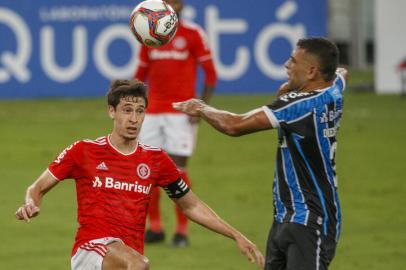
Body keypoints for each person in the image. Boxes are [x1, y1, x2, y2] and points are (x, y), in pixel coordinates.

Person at [15, 79, 264, 270]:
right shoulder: (84, 151)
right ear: (111, 112)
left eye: (140, 111)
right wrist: (30, 203)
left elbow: (191, 206)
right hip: (91, 250)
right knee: (139, 263)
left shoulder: (155, 160)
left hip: (127, 257)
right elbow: (37, 188)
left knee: (136, 261)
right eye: (126, 110)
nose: (134, 119)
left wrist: (236, 235)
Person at [173, 37, 348, 270]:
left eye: (293, 61)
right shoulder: (333, 89)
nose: (287, 65)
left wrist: (201, 108)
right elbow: (342, 73)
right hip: (285, 217)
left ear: (312, 71)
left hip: (309, 221)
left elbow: (234, 125)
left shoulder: (300, 105)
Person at [133, 0, 217, 247]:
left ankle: (182, 231)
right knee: (146, 169)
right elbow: (140, 75)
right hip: (152, 111)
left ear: (180, 6)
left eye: (174, 1)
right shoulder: (149, 36)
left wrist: (199, 106)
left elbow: (211, 74)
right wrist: (135, 107)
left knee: (178, 169)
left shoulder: (192, 34)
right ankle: (155, 228)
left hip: (181, 112)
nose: (170, 4)